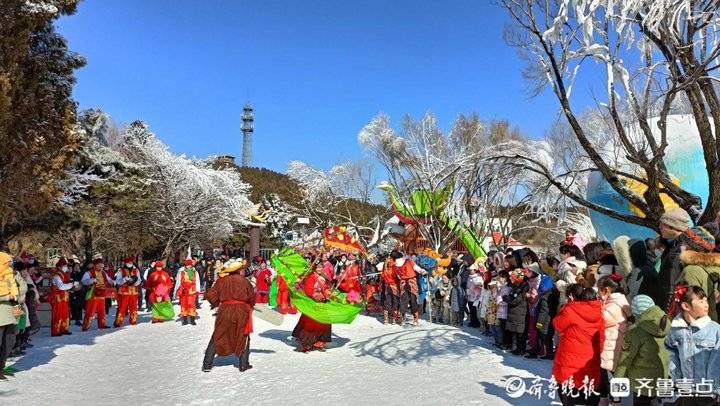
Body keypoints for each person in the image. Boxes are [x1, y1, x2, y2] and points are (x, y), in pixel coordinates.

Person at [665, 284, 720, 406]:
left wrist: (715, 389)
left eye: (706, 301)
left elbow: (717, 362)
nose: (706, 305)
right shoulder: (676, 331)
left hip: (709, 392)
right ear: (686, 306)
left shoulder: (715, 330)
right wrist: (678, 380)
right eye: (701, 301)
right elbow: (672, 355)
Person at [552, 283, 604, 406]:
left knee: (567, 390)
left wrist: (565, 307)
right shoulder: (600, 314)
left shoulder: (570, 310)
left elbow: (557, 324)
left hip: (569, 359)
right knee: (589, 390)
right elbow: (601, 338)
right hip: (591, 358)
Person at [614, 295, 670, 405]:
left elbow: (624, 362)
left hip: (641, 384)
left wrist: (616, 393)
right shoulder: (667, 325)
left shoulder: (635, 333)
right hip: (664, 380)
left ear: (636, 313)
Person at [203, 259, 255, 372]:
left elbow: (211, 295)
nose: (243, 271)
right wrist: (250, 306)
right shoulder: (244, 281)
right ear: (238, 271)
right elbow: (252, 297)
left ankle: (207, 364)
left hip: (225, 310)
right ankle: (243, 364)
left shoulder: (221, 281)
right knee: (243, 335)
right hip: (241, 311)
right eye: (242, 269)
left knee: (217, 335)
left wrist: (217, 303)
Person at [596, 274, 630, 404]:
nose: (598, 293)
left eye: (599, 289)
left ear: (607, 290)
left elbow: (600, 320)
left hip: (610, 350)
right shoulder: (621, 301)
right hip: (614, 348)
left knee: (610, 383)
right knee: (610, 383)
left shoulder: (613, 305)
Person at [676, 225, 720, 322]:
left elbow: (690, 308)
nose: (682, 244)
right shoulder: (714, 268)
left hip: (695, 329)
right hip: (711, 326)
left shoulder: (691, 271)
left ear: (691, 246)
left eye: (685, 242)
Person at [292, 263, 333, 352]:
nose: (320, 269)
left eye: (321, 267)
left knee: (324, 322)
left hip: (322, 302)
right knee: (310, 323)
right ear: (315, 268)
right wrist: (317, 295)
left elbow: (326, 288)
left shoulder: (325, 277)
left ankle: (319, 342)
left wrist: (328, 293)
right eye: (318, 267)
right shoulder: (310, 276)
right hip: (312, 302)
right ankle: (306, 344)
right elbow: (308, 289)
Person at [658, 207, 691, 313]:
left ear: (672, 227)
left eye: (662, 224)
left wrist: (665, 313)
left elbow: (670, 289)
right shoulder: (676, 244)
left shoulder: (676, 254)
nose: (659, 227)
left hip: (669, 307)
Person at [0, 252, 23, 380]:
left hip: (12, 313)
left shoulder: (12, 276)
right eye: (8, 262)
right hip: (1, 314)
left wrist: (17, 315)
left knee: (10, 341)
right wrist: (7, 297)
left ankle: (0, 367)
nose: (10, 263)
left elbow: (20, 291)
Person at [81, 254, 113, 331]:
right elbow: (83, 281)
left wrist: (113, 282)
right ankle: (86, 326)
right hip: (93, 294)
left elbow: (109, 279)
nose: (100, 266)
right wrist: (91, 280)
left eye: (101, 265)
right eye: (99, 265)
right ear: (95, 265)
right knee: (90, 310)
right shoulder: (89, 273)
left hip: (102, 294)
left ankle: (102, 324)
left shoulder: (103, 273)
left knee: (102, 310)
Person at [392, 250, 424, 326]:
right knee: (413, 301)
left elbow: (397, 276)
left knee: (403, 301)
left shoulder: (395, 265)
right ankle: (415, 319)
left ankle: (403, 318)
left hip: (403, 283)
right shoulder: (409, 261)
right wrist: (423, 272)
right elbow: (417, 268)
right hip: (412, 281)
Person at [504, 269, 529, 355]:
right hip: (516, 313)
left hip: (520, 313)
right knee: (517, 332)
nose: (510, 279)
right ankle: (518, 349)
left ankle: (520, 349)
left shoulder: (521, 289)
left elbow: (515, 301)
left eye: (512, 277)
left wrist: (507, 299)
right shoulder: (515, 287)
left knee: (520, 333)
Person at [48, 257, 74, 336]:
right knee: (58, 314)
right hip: (58, 298)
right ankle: (56, 331)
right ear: (59, 267)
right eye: (64, 266)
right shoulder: (57, 276)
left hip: (64, 297)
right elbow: (61, 286)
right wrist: (71, 285)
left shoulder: (64, 275)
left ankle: (64, 329)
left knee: (65, 314)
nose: (66, 267)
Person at [114, 256, 141, 327]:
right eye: (128, 262)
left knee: (133, 307)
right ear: (125, 263)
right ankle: (118, 322)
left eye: (131, 262)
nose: (130, 263)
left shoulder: (136, 270)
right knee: (122, 307)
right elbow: (118, 281)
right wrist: (125, 279)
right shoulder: (121, 270)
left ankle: (133, 320)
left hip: (133, 292)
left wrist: (135, 282)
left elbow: (139, 280)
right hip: (124, 292)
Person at [174, 258, 201, 325]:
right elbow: (178, 282)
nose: (188, 266)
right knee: (184, 304)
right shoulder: (181, 272)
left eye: (189, 265)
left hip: (192, 290)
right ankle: (185, 319)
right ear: (185, 265)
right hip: (184, 291)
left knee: (191, 304)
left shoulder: (195, 272)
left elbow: (197, 281)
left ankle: (192, 319)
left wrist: (197, 290)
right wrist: (176, 291)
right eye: (187, 265)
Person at [380, 256, 400, 324]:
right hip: (394, 286)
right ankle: (394, 319)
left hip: (387, 287)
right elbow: (398, 276)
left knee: (387, 302)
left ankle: (386, 320)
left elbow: (382, 277)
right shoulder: (394, 268)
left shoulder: (384, 269)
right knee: (395, 302)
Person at [68, 255, 85, 326]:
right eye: (75, 266)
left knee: (79, 305)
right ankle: (72, 318)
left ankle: (78, 319)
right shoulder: (71, 274)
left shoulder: (80, 273)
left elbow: (83, 280)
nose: (77, 268)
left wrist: (80, 272)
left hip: (80, 291)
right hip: (73, 291)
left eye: (78, 266)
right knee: (72, 305)